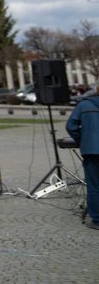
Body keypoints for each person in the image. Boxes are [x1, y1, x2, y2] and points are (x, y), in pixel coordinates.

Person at [66, 81, 99, 230]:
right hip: (91, 148)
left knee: (93, 185)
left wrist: (82, 139)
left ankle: (97, 219)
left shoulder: (84, 105)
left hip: (91, 150)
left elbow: (71, 126)